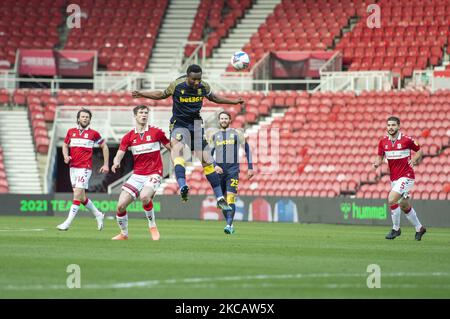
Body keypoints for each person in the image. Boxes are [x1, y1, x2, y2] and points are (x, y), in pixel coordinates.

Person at [132, 64, 244, 212]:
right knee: (176, 150)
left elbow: (214, 97)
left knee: (207, 161)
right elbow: (161, 94)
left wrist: (233, 102)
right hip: (179, 123)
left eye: (199, 79)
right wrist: (142, 94)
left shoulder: (203, 86)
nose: (197, 82)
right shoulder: (177, 85)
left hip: (196, 125)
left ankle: (219, 198)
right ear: (187, 76)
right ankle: (183, 184)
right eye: (193, 80)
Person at [111, 105, 171, 241]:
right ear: (135, 116)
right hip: (137, 175)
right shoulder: (129, 136)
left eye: (146, 113)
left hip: (154, 172)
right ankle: (124, 234)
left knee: (144, 196)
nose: (144, 115)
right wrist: (116, 162)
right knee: (120, 206)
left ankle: (152, 226)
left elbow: (171, 147)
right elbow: (119, 153)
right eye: (141, 113)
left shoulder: (156, 132)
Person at [373, 116, 426, 241]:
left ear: (398, 126)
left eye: (393, 125)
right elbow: (379, 156)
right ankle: (419, 228)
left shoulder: (407, 140)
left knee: (391, 199)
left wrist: (413, 159)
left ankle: (396, 229)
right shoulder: (383, 142)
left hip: (407, 176)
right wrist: (376, 163)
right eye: (389, 125)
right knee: (403, 204)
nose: (390, 127)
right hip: (394, 179)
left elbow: (419, 150)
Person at [57, 108, 109, 231]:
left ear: (90, 120)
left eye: (87, 117)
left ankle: (67, 223)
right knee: (81, 197)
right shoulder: (71, 132)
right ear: (78, 118)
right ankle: (98, 214)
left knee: (76, 195)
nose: (85, 118)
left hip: (85, 168)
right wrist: (65, 156)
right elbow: (65, 145)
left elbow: (104, 147)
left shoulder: (93, 134)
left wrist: (106, 164)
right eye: (83, 116)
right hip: (73, 168)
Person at [209, 111, 254, 234]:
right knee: (222, 201)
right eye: (221, 118)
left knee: (231, 198)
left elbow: (247, 150)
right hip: (219, 172)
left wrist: (250, 167)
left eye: (226, 118)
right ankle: (230, 223)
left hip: (232, 171)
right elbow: (208, 155)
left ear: (230, 120)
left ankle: (228, 225)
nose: (223, 120)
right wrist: (215, 166)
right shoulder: (215, 136)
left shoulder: (237, 133)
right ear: (219, 121)